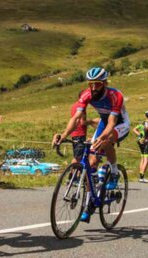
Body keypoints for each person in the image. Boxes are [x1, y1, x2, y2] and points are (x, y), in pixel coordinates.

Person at [53, 67, 130, 223]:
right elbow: (76, 118)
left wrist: (102, 137)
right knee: (91, 162)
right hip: (104, 122)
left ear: (105, 83)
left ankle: (114, 172)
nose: (93, 88)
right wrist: (63, 134)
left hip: (120, 124)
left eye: (97, 84)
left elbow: (112, 122)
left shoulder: (115, 95)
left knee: (106, 141)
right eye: (91, 84)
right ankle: (90, 203)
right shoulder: (87, 94)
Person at [133, 111, 148, 182]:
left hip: (139, 141)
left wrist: (139, 135)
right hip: (146, 142)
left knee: (142, 158)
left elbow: (134, 129)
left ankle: (140, 176)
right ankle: (142, 177)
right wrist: (147, 138)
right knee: (146, 159)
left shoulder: (142, 123)